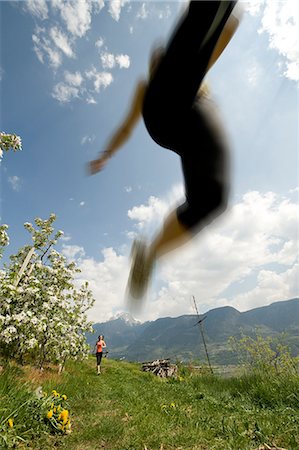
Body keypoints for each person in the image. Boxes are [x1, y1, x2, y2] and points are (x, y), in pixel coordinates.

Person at [89, 1, 242, 305]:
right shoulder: (148, 87)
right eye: (155, 59)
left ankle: (151, 254)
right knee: (184, 66)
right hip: (162, 110)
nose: (157, 58)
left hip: (191, 122)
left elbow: (224, 33)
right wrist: (107, 152)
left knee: (212, 202)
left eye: (162, 57)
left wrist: (225, 25)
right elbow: (126, 127)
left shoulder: (197, 78)